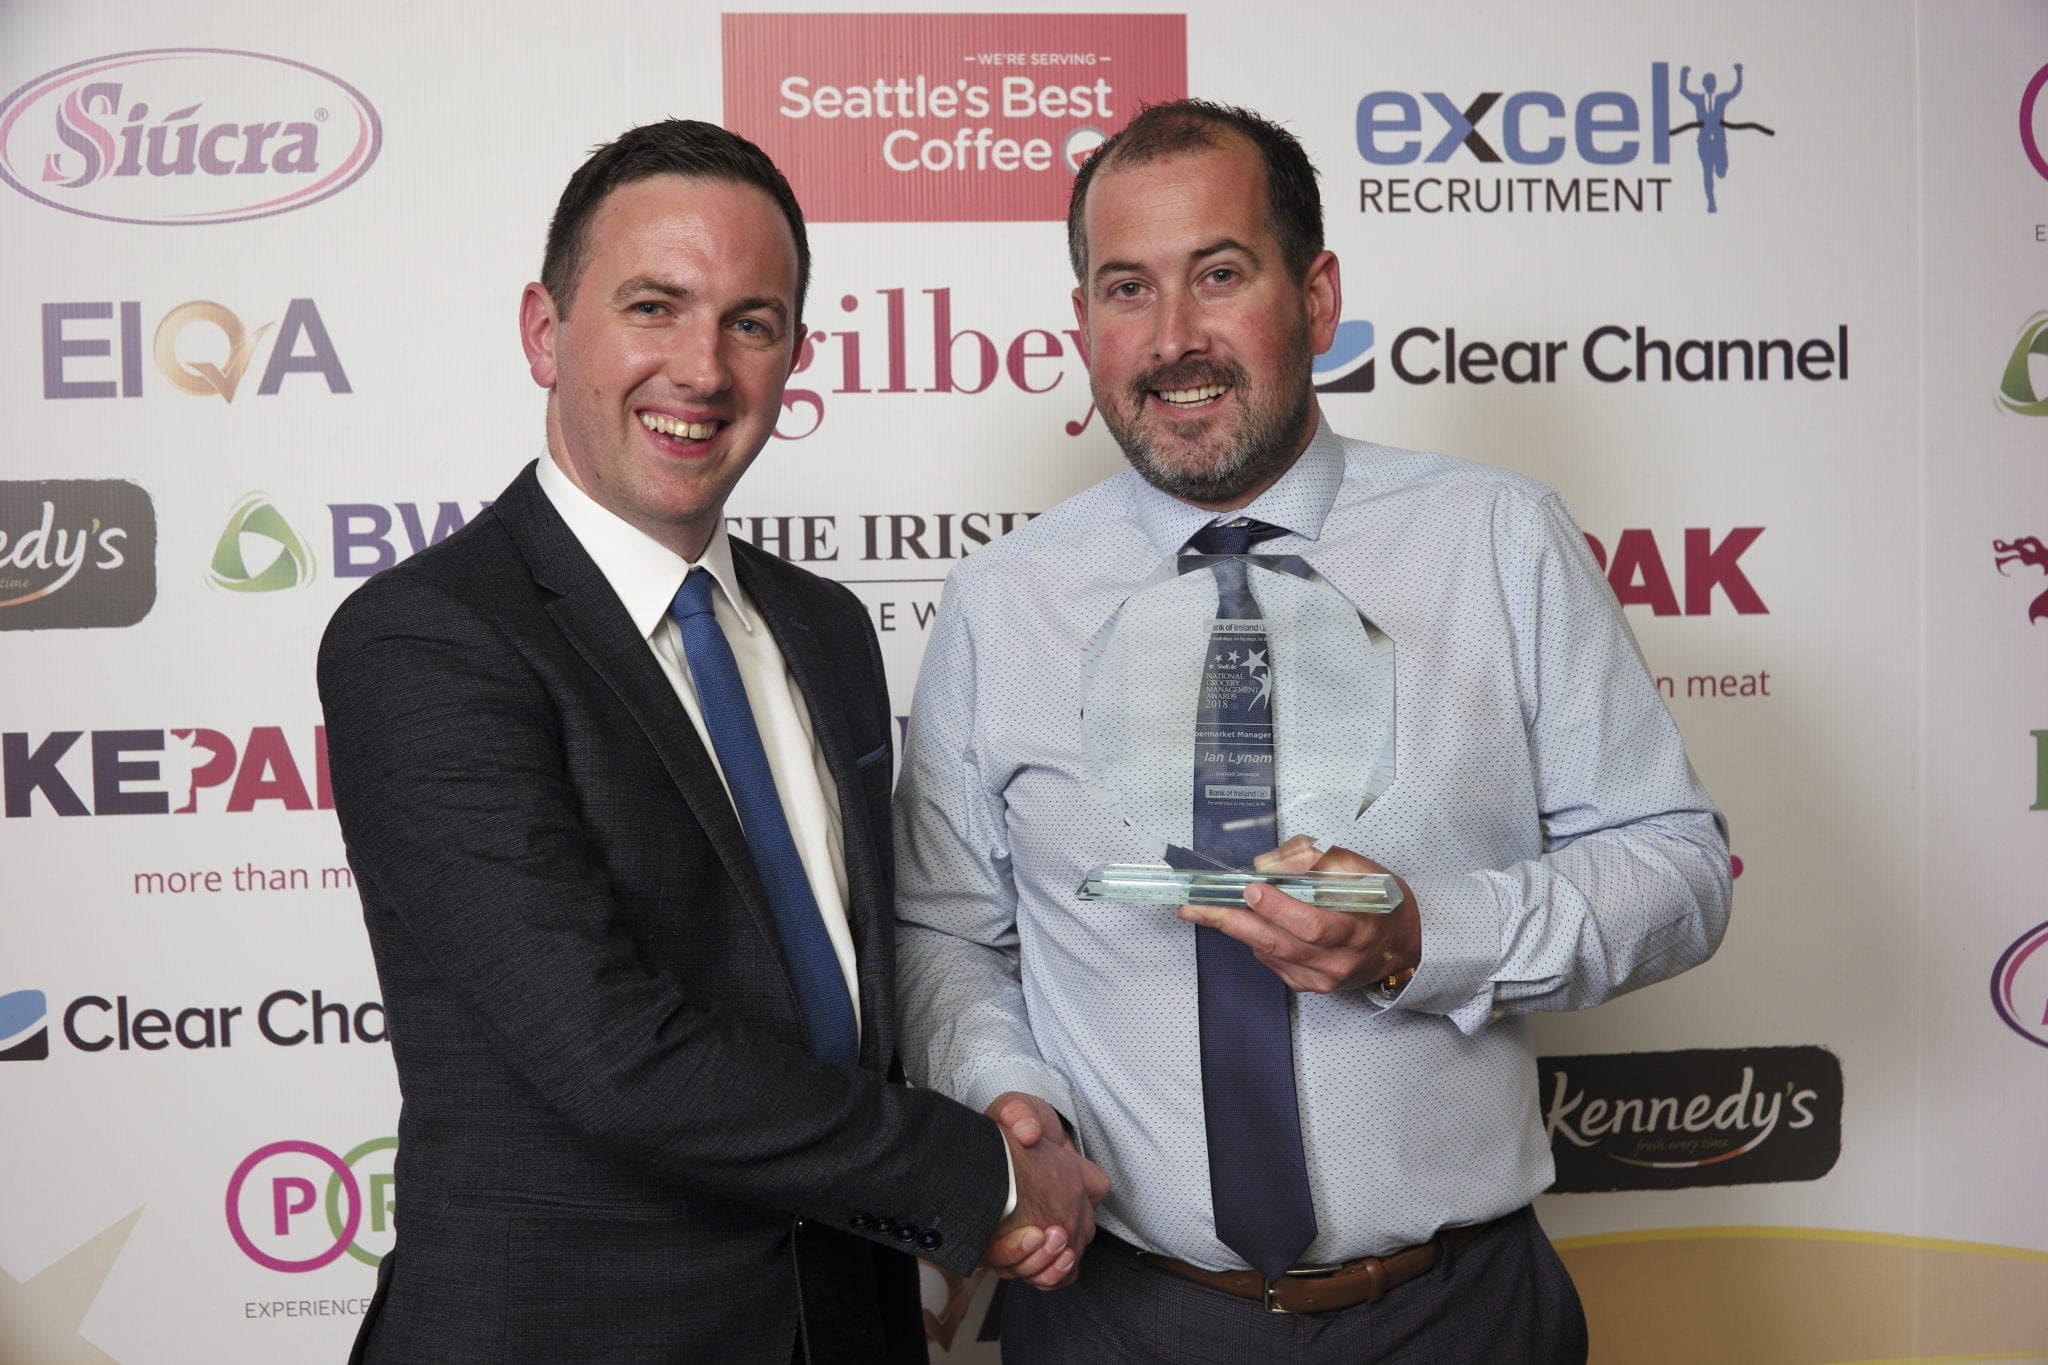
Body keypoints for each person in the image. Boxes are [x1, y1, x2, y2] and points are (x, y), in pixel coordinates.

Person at [893, 100, 1732, 1363]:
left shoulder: (1496, 540)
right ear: (1082, 325)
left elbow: (1676, 868)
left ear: (1317, 296)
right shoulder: (1002, 601)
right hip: (1117, 1320)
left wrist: (1419, 937)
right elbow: (944, 930)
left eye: (1218, 274)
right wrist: (1006, 1098)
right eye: (1126, 289)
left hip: (1455, 1318)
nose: (1171, 338)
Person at [318, 119, 1105, 1365]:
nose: (702, 368)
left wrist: (1001, 1103)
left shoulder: (824, 629)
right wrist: (983, 1177)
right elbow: (609, 1053)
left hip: (847, 1322)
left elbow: (859, 989)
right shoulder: (428, 638)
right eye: (653, 306)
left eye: (752, 322)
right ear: (543, 330)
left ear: (795, 356)